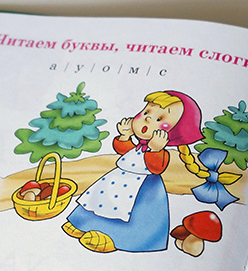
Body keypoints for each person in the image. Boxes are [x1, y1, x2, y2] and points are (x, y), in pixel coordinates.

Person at [62, 91, 202, 253]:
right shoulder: (139, 146)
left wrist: (155, 149)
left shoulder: (159, 152)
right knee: (101, 200)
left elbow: (156, 167)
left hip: (143, 190)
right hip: (117, 181)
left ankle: (116, 238)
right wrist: (125, 136)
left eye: (159, 119)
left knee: (130, 213)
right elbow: (125, 151)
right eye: (146, 112)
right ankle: (83, 224)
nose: (147, 119)